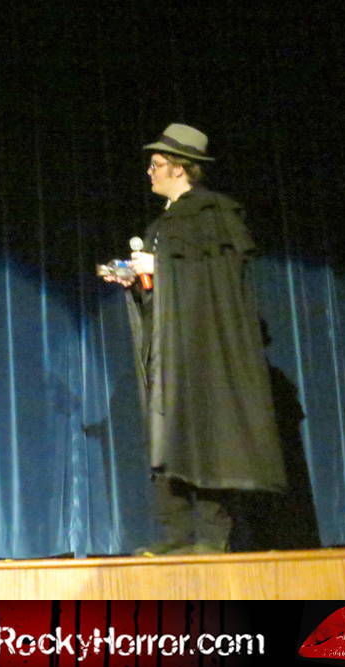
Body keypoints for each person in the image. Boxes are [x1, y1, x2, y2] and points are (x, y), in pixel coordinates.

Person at [101, 124, 287, 554]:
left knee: (206, 434)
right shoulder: (162, 223)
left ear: (181, 168)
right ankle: (177, 535)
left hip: (203, 349)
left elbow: (221, 277)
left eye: (157, 164)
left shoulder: (212, 213)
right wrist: (136, 278)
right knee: (168, 433)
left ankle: (210, 537)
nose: (149, 171)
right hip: (169, 348)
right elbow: (170, 282)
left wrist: (161, 265)